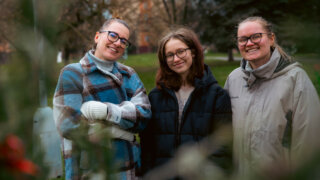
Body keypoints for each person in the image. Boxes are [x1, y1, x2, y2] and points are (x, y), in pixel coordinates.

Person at [53, 18, 151, 180]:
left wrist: (105, 111)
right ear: (97, 37)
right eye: (113, 35)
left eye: (124, 41)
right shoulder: (73, 73)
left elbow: (144, 116)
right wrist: (123, 131)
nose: (118, 43)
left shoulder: (129, 74)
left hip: (129, 169)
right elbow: (68, 125)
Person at [224, 16, 320, 176]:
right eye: (243, 39)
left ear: (271, 38)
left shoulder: (295, 80)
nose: (249, 43)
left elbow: (308, 142)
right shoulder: (233, 79)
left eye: (256, 36)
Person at [140, 27, 233, 176]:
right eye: (169, 55)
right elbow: (147, 145)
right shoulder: (156, 96)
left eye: (180, 51)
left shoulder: (217, 96)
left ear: (194, 52)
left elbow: (223, 147)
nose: (176, 59)